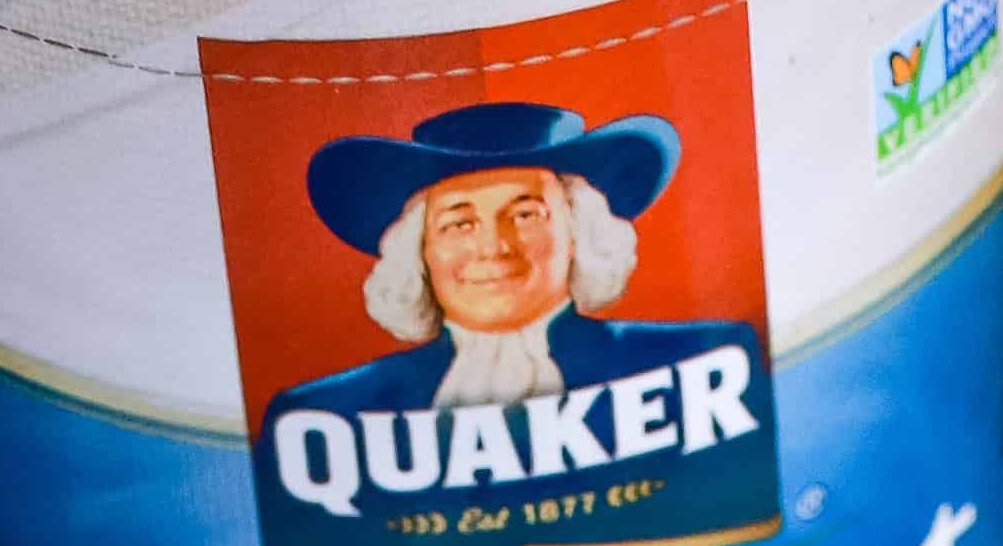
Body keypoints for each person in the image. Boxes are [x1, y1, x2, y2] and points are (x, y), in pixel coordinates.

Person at [278, 96, 760, 427]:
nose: (494, 247)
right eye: (459, 224)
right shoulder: (328, 415)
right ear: (419, 253)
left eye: (526, 214)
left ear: (578, 232)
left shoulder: (702, 365)